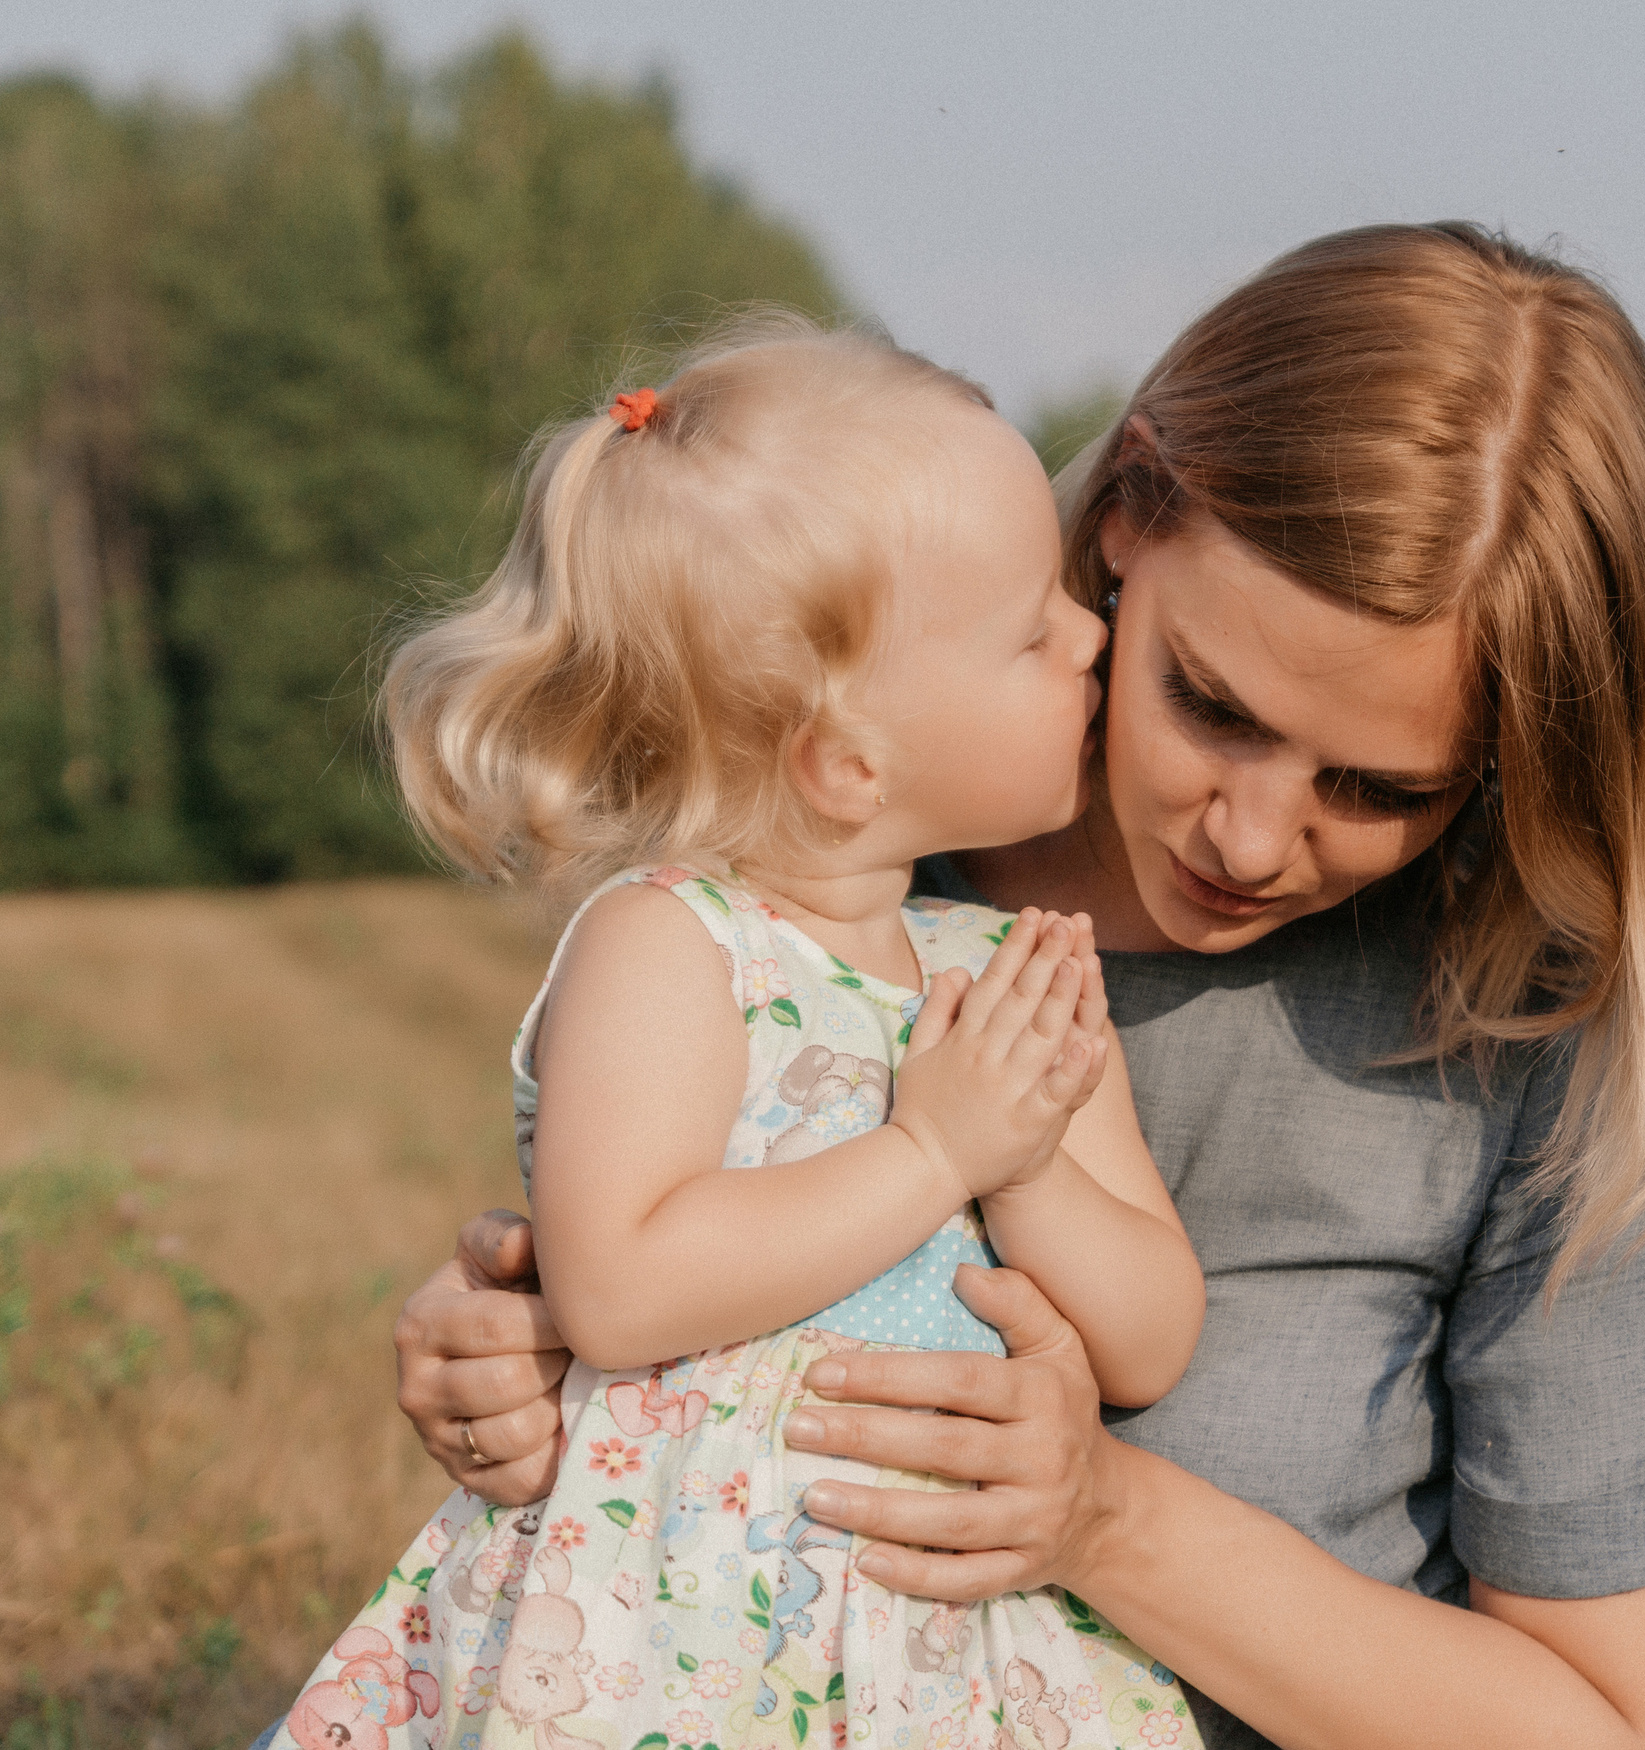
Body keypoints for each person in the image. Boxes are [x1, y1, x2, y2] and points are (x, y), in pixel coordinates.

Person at [385, 222, 1645, 1750]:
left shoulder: (1539, 1037)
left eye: (1380, 785)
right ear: (1122, 520)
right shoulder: (837, 871)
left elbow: (1623, 1735)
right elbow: (667, 1275)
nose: (1250, 837)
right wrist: (527, 1360)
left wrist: (1107, 1521)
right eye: (1210, 701)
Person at [280, 322, 1211, 1750]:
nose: (1093, 630)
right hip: (685, 1626)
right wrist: (933, 1147)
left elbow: (1150, 1333)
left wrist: (1018, 1166)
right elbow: (623, 1282)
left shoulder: (1008, 974)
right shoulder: (669, 943)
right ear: (848, 761)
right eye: (1032, 627)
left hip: (937, 1630)